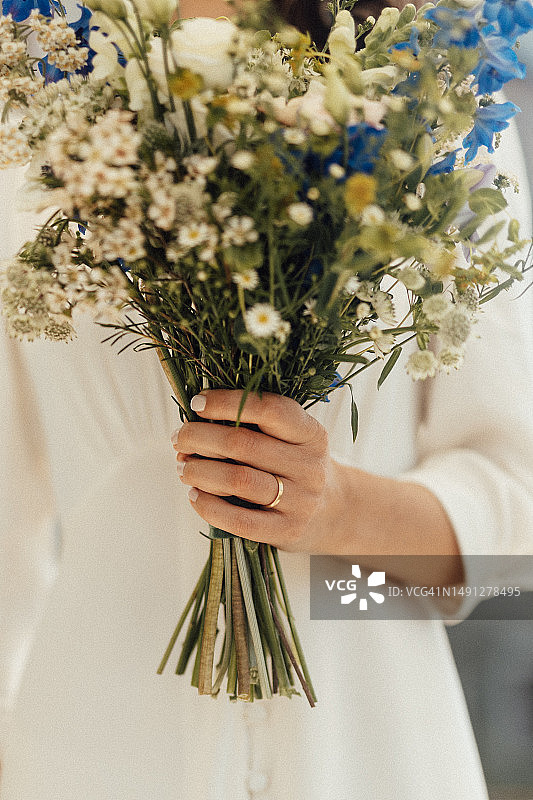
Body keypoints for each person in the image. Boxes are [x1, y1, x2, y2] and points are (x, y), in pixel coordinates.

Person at [1, 1, 533, 798]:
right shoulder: (32, 65)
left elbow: (506, 570)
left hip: (371, 749)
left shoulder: (433, 60)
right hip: (91, 749)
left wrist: (338, 515)